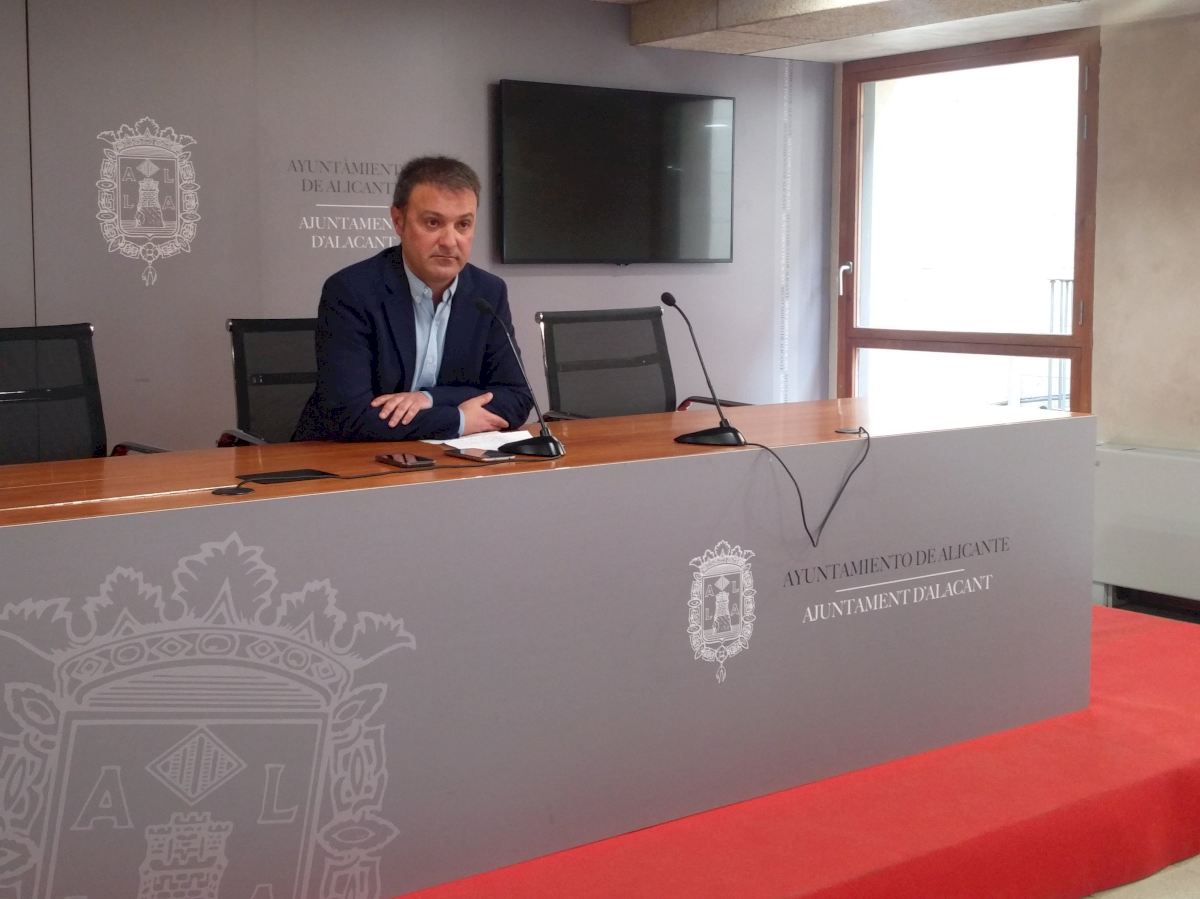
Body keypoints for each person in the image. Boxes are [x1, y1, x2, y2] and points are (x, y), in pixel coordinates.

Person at [292, 156, 533, 442]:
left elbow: (517, 397)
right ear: (398, 221)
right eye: (433, 222)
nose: (449, 241)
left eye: (463, 225)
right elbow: (350, 414)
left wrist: (429, 399)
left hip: (446, 458)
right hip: (345, 457)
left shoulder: (488, 292)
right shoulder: (351, 291)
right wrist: (458, 419)